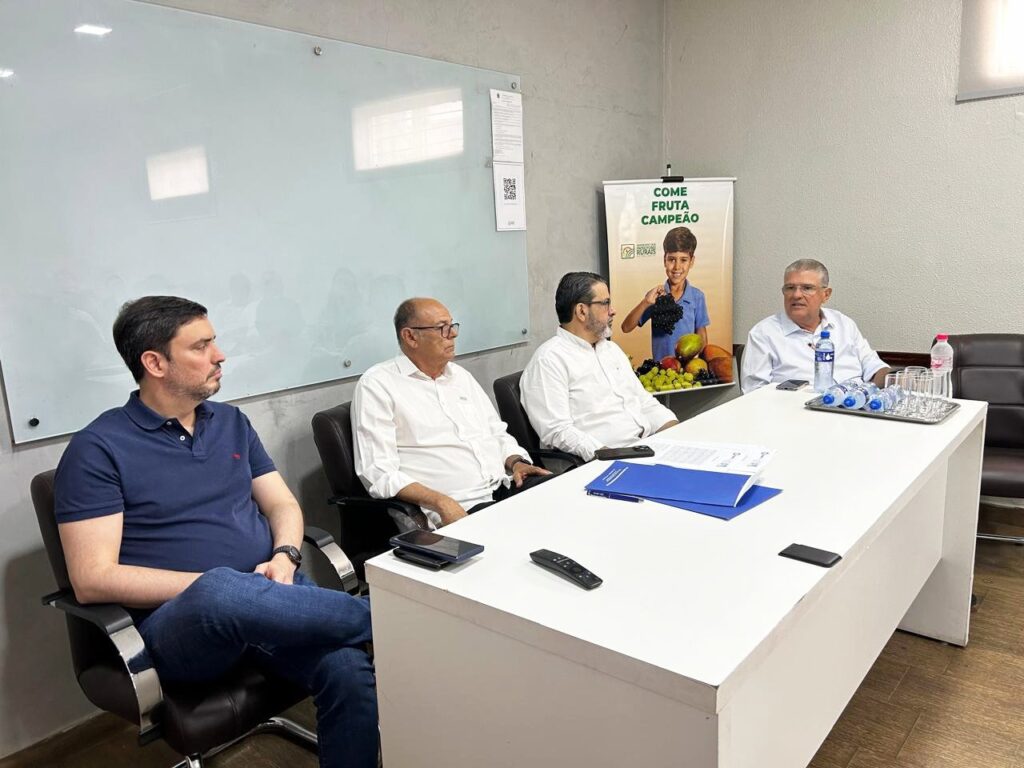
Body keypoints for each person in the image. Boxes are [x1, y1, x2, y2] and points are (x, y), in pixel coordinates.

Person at [53, 296, 378, 768]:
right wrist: (223, 586)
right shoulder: (97, 449)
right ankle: (394, 617)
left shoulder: (230, 422)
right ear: (155, 363)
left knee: (347, 669)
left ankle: (385, 620)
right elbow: (91, 579)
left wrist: (285, 556)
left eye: (214, 342)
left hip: (270, 593)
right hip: (181, 628)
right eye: (201, 346)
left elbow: (282, 504)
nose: (219, 355)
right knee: (220, 586)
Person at [352, 298, 550, 531]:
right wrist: (440, 502)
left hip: (503, 486)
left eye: (452, 326)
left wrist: (516, 462)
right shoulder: (378, 385)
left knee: (566, 500)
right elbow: (379, 472)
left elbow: (496, 432)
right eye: (442, 328)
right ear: (410, 336)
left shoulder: (460, 376)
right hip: (459, 506)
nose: (453, 334)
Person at [520, 272, 678, 462]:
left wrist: (678, 433)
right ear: (581, 311)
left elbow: (644, 402)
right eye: (605, 303)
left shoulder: (611, 350)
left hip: (645, 449)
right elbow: (558, 431)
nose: (613, 311)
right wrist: (610, 455)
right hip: (600, 462)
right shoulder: (549, 360)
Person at [740, 259, 891, 393]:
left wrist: (880, 386)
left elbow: (876, 368)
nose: (796, 295)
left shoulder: (844, 324)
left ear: (826, 295)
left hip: (855, 406)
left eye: (807, 288)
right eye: (790, 288)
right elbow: (753, 393)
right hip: (794, 412)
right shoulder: (763, 333)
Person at [620, 227, 710, 360]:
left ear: (691, 261)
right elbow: (626, 327)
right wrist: (645, 303)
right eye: (671, 259)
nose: (677, 267)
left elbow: (701, 335)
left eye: (683, 260)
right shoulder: (655, 297)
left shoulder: (697, 297)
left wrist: (700, 363)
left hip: (687, 368)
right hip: (660, 367)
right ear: (664, 260)